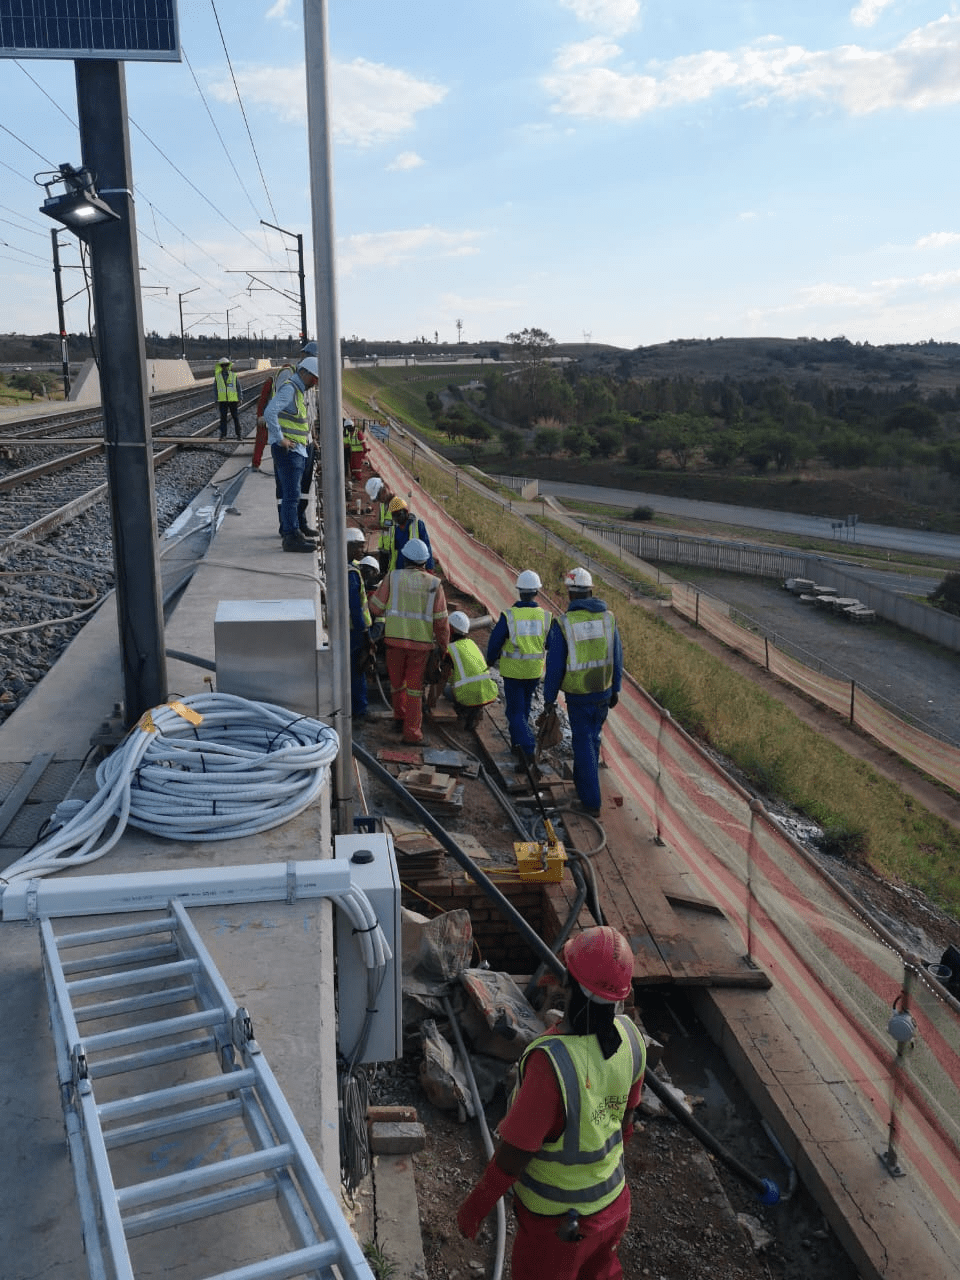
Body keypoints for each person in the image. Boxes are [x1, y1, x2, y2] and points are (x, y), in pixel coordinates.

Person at [457, 926, 645, 1280]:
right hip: (615, 1205)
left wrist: (475, 1207)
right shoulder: (632, 1038)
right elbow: (626, 1123)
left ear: (568, 982)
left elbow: (514, 1155)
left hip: (560, 1227)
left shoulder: (552, 1062)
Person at [542, 568, 622, 817]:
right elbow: (617, 656)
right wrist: (616, 688)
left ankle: (590, 802)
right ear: (591, 591)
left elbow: (554, 666)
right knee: (592, 740)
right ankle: (583, 785)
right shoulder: (608, 619)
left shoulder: (564, 624)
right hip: (603, 691)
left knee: (584, 743)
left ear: (570, 593)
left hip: (579, 696)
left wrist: (548, 698)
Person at [368, 538, 449, 744]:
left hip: (394, 642)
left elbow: (375, 608)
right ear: (424, 561)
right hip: (420, 646)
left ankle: (399, 718)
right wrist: (443, 647)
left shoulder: (393, 577)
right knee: (414, 689)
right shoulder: (434, 584)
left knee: (397, 684)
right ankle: (412, 733)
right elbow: (441, 622)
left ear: (405, 558)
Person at [486, 570, 550, 769]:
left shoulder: (510, 616)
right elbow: (550, 643)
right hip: (534, 672)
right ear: (537, 592)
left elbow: (495, 641)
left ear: (519, 591)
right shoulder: (546, 617)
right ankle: (517, 745)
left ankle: (528, 749)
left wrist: (490, 660)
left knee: (514, 712)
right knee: (524, 709)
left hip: (513, 672)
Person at [264, 355, 318, 553]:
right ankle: (290, 535)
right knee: (291, 494)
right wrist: (281, 439)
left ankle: (294, 532)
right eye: (313, 379)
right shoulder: (290, 389)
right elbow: (269, 412)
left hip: (297, 450)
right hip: (289, 451)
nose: (314, 383)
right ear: (303, 373)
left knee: (293, 493)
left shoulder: (298, 391)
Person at [252, 340, 316, 471]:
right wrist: (280, 438)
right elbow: (275, 406)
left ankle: (256, 462)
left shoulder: (310, 379)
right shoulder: (289, 375)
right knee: (262, 438)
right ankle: (255, 463)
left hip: (304, 439)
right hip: (290, 442)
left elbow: (309, 410)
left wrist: (313, 436)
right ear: (303, 356)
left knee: (300, 480)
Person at [441, 611, 498, 730]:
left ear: (450, 629)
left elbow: (443, 678)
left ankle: (464, 708)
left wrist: (430, 702)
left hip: (466, 695)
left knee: (445, 690)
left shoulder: (451, 649)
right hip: (486, 693)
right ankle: (474, 710)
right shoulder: (472, 644)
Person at [346, 527, 372, 718]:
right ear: (348, 547)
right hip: (354, 630)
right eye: (358, 547)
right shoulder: (351, 574)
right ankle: (360, 710)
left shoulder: (345, 567)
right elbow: (355, 607)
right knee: (358, 669)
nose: (362, 551)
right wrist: (364, 633)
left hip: (347, 629)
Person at [385, 496, 434, 571]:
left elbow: (427, 546)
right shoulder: (394, 529)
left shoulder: (418, 525)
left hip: (414, 567)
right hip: (399, 568)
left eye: (398, 514)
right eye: (393, 515)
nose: (396, 518)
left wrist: (429, 567)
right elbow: (393, 551)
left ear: (406, 512)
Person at [365, 477, 397, 574]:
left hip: (395, 549)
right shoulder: (382, 504)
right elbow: (381, 521)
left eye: (378, 498)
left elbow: (398, 527)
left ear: (383, 491)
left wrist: (378, 527)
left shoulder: (397, 504)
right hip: (384, 547)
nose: (379, 501)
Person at [214, 357, 242, 439]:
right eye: (222, 365)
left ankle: (239, 435)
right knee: (223, 418)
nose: (224, 367)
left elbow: (238, 387)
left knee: (235, 417)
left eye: (226, 365)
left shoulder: (233, 375)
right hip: (222, 401)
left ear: (228, 365)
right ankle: (223, 435)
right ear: (220, 366)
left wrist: (240, 398)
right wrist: (216, 399)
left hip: (233, 400)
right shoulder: (217, 376)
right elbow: (215, 389)